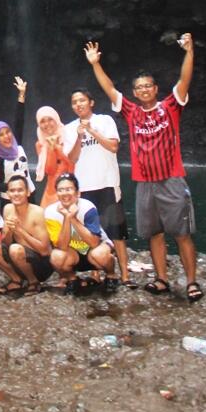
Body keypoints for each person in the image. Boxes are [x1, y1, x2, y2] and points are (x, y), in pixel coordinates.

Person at [84, 34, 202, 302]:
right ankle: (161, 279)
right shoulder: (131, 112)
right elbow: (110, 89)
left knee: (182, 234)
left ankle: (192, 282)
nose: (144, 90)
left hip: (171, 179)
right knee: (154, 233)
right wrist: (95, 64)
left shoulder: (171, 107)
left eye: (148, 86)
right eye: (139, 87)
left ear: (155, 88)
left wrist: (189, 52)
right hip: (145, 183)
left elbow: (185, 80)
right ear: (135, 92)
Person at [64, 88, 134, 287]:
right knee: (91, 232)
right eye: (74, 101)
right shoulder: (69, 128)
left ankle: (125, 276)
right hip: (84, 187)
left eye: (82, 100)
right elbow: (72, 158)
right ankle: (95, 274)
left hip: (107, 183)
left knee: (116, 232)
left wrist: (91, 130)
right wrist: (79, 136)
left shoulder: (105, 121)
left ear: (91, 102)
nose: (78, 104)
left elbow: (113, 146)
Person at [45, 172, 117, 293]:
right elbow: (61, 246)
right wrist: (67, 218)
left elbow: (94, 242)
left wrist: (73, 219)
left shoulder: (88, 207)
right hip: (73, 253)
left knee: (100, 254)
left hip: (94, 249)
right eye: (60, 190)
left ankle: (111, 275)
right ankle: (72, 279)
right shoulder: (50, 212)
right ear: (56, 193)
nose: (65, 194)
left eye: (68, 189)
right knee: (56, 257)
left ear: (77, 193)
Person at [0, 174, 53, 293]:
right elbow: (6, 243)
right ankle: (16, 280)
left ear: (28, 192)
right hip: (19, 257)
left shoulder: (37, 213)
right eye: (12, 191)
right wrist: (8, 231)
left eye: (20, 190)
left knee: (15, 249)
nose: (16, 194)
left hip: (42, 264)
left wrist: (20, 231)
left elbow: (44, 251)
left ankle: (33, 282)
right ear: (8, 194)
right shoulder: (8, 208)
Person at [0, 76, 35, 215]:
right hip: (10, 201)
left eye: (8, 132)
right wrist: (15, 187)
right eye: (1, 134)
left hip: (29, 195)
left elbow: (19, 121)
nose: (6, 136)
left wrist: (21, 95)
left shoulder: (19, 147)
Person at [35, 106, 73, 207]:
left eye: (50, 119)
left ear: (56, 119)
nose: (47, 124)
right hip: (51, 191)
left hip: (69, 190)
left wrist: (57, 147)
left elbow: (72, 163)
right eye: (42, 121)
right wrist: (51, 148)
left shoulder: (69, 136)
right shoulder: (40, 144)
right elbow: (50, 170)